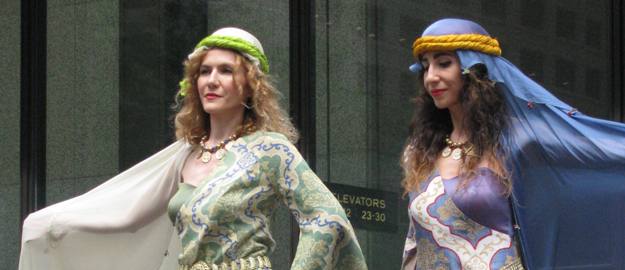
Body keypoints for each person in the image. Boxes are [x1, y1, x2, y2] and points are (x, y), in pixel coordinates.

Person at [19, 27, 367, 270]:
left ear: (250, 86)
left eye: (226, 71)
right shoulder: (186, 155)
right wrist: (54, 223)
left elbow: (327, 217)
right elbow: (128, 217)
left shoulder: (270, 151)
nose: (212, 80)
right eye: (204, 71)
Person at [401, 18, 625, 270]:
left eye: (444, 64)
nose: (431, 77)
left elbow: (603, 155)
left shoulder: (519, 143)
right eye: (425, 66)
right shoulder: (419, 152)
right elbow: (414, 245)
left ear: (474, 70)